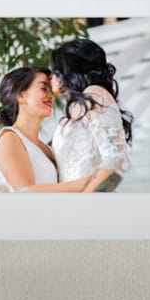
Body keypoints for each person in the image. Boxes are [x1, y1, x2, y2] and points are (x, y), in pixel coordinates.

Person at [0, 67, 94, 192]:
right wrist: (88, 182)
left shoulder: (47, 148)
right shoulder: (9, 139)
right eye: (44, 88)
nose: (51, 95)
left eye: (51, 90)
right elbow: (26, 192)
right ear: (20, 95)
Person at [50, 38, 133, 192]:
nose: (51, 77)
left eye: (55, 71)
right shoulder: (79, 104)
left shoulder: (94, 95)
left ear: (68, 72)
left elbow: (118, 161)